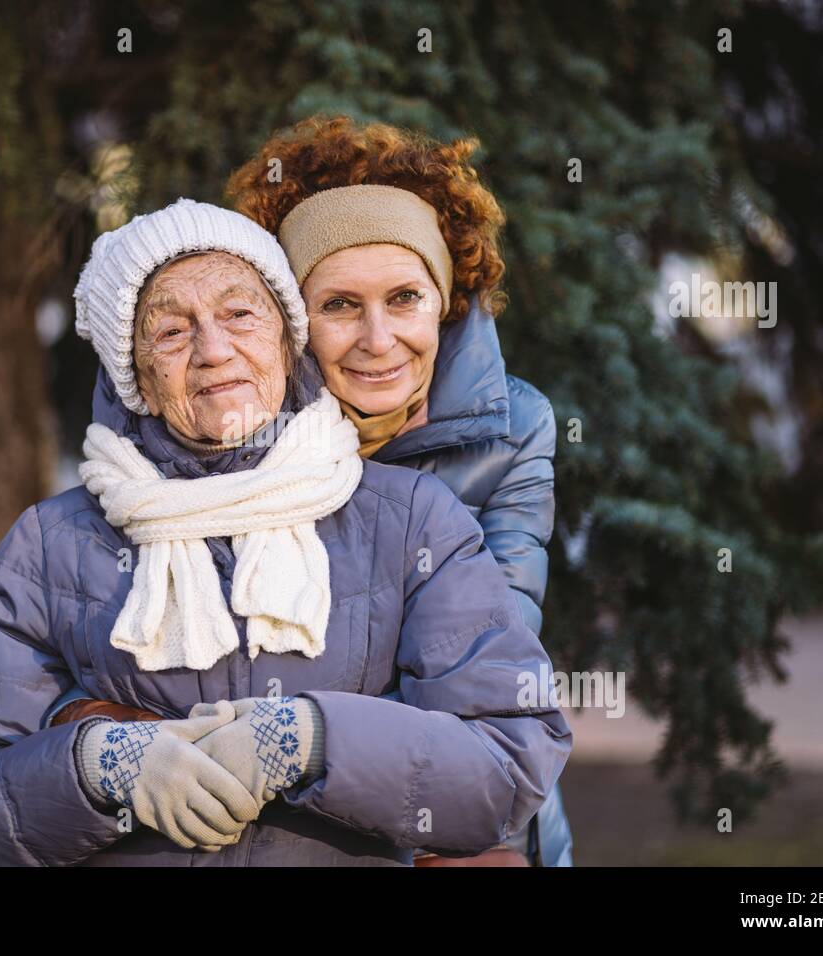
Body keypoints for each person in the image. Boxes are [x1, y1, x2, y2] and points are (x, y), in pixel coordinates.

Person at [0, 198, 571, 865]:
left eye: (239, 314)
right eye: (171, 331)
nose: (213, 349)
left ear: (288, 342)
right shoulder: (47, 545)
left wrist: (308, 740)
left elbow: (507, 764)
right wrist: (100, 768)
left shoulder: (413, 520)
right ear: (136, 377)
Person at [224, 115, 576, 866]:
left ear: (445, 301)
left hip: (474, 826)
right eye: (340, 305)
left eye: (405, 298)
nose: (379, 339)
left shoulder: (512, 430)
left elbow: (490, 669)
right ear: (291, 322)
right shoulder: (242, 436)